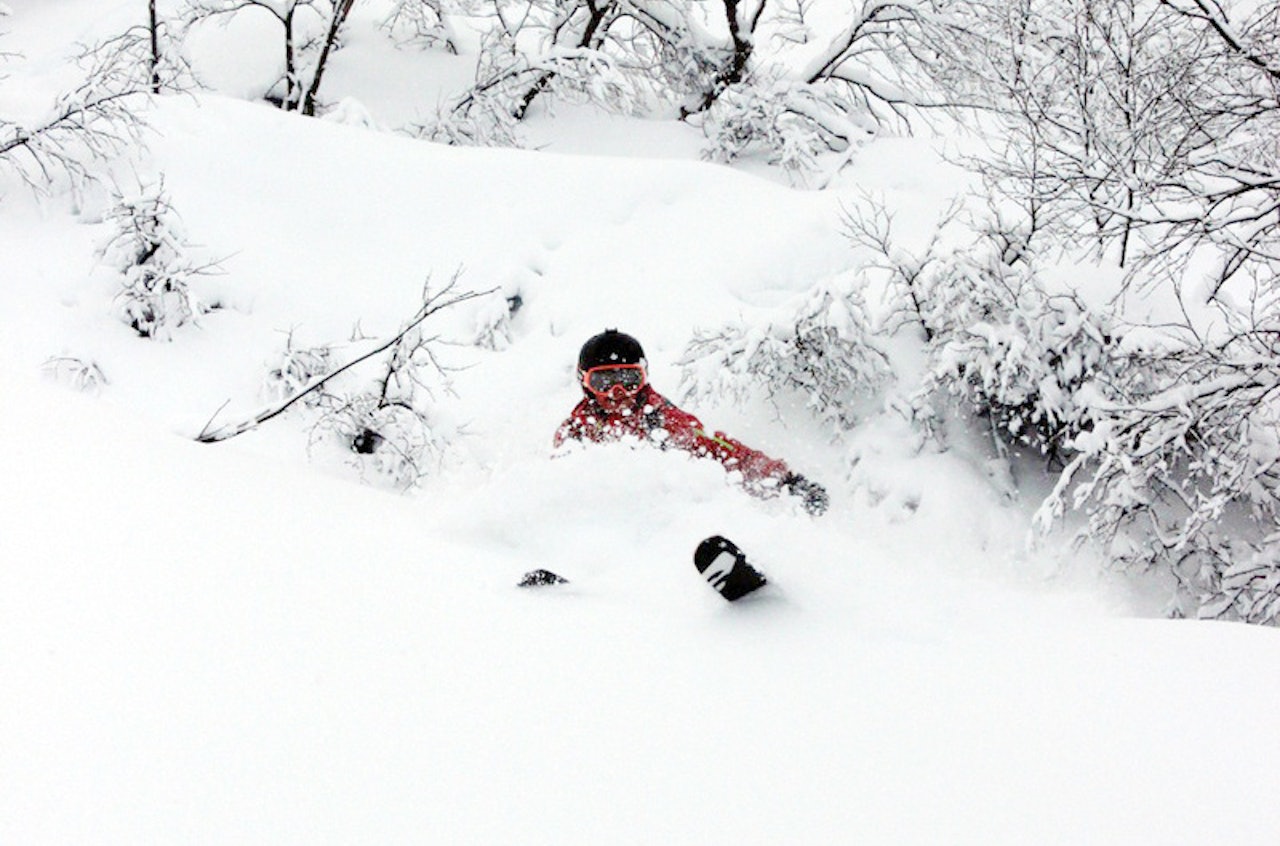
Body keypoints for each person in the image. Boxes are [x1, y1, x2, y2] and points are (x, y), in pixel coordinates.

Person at [554, 328, 829, 515]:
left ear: (644, 378)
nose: (618, 393)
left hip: (661, 519)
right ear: (585, 383)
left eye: (629, 380)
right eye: (604, 382)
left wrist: (784, 481)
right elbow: (559, 487)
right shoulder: (576, 432)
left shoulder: (661, 420)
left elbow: (723, 452)